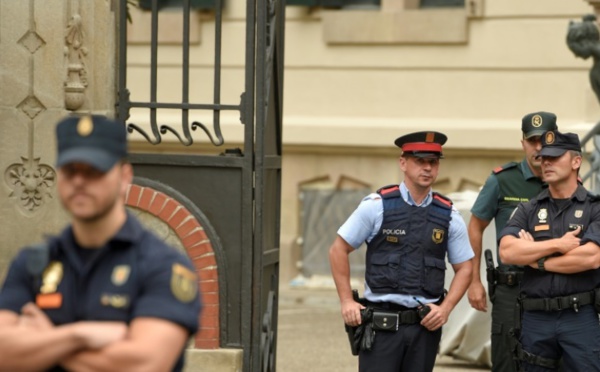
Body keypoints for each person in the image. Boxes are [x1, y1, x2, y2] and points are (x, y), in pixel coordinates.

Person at [0, 115, 202, 371]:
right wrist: (78, 335)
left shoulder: (162, 266)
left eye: (94, 170)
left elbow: (144, 365)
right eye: (70, 170)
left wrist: (45, 339)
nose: (79, 181)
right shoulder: (33, 263)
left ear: (124, 176)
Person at [329, 131, 474, 372]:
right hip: (381, 329)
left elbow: (466, 267)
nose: (427, 168)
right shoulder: (377, 207)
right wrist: (346, 301)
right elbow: (338, 249)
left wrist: (445, 309)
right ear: (403, 163)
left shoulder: (449, 215)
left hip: (424, 329)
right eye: (420, 161)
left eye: (433, 162)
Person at [499, 129, 600, 370]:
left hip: (579, 317)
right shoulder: (529, 210)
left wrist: (537, 258)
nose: (546, 162)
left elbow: (591, 257)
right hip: (536, 316)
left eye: (554, 157)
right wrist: (558, 245)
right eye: (544, 158)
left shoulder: (594, 208)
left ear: (576, 161)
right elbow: (508, 251)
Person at [467, 111, 557, 372]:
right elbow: (475, 227)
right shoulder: (502, 180)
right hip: (511, 288)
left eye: (545, 140)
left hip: (554, 286)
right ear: (523, 143)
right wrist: (474, 281)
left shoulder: (566, 181)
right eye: (532, 141)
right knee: (507, 361)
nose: (539, 148)